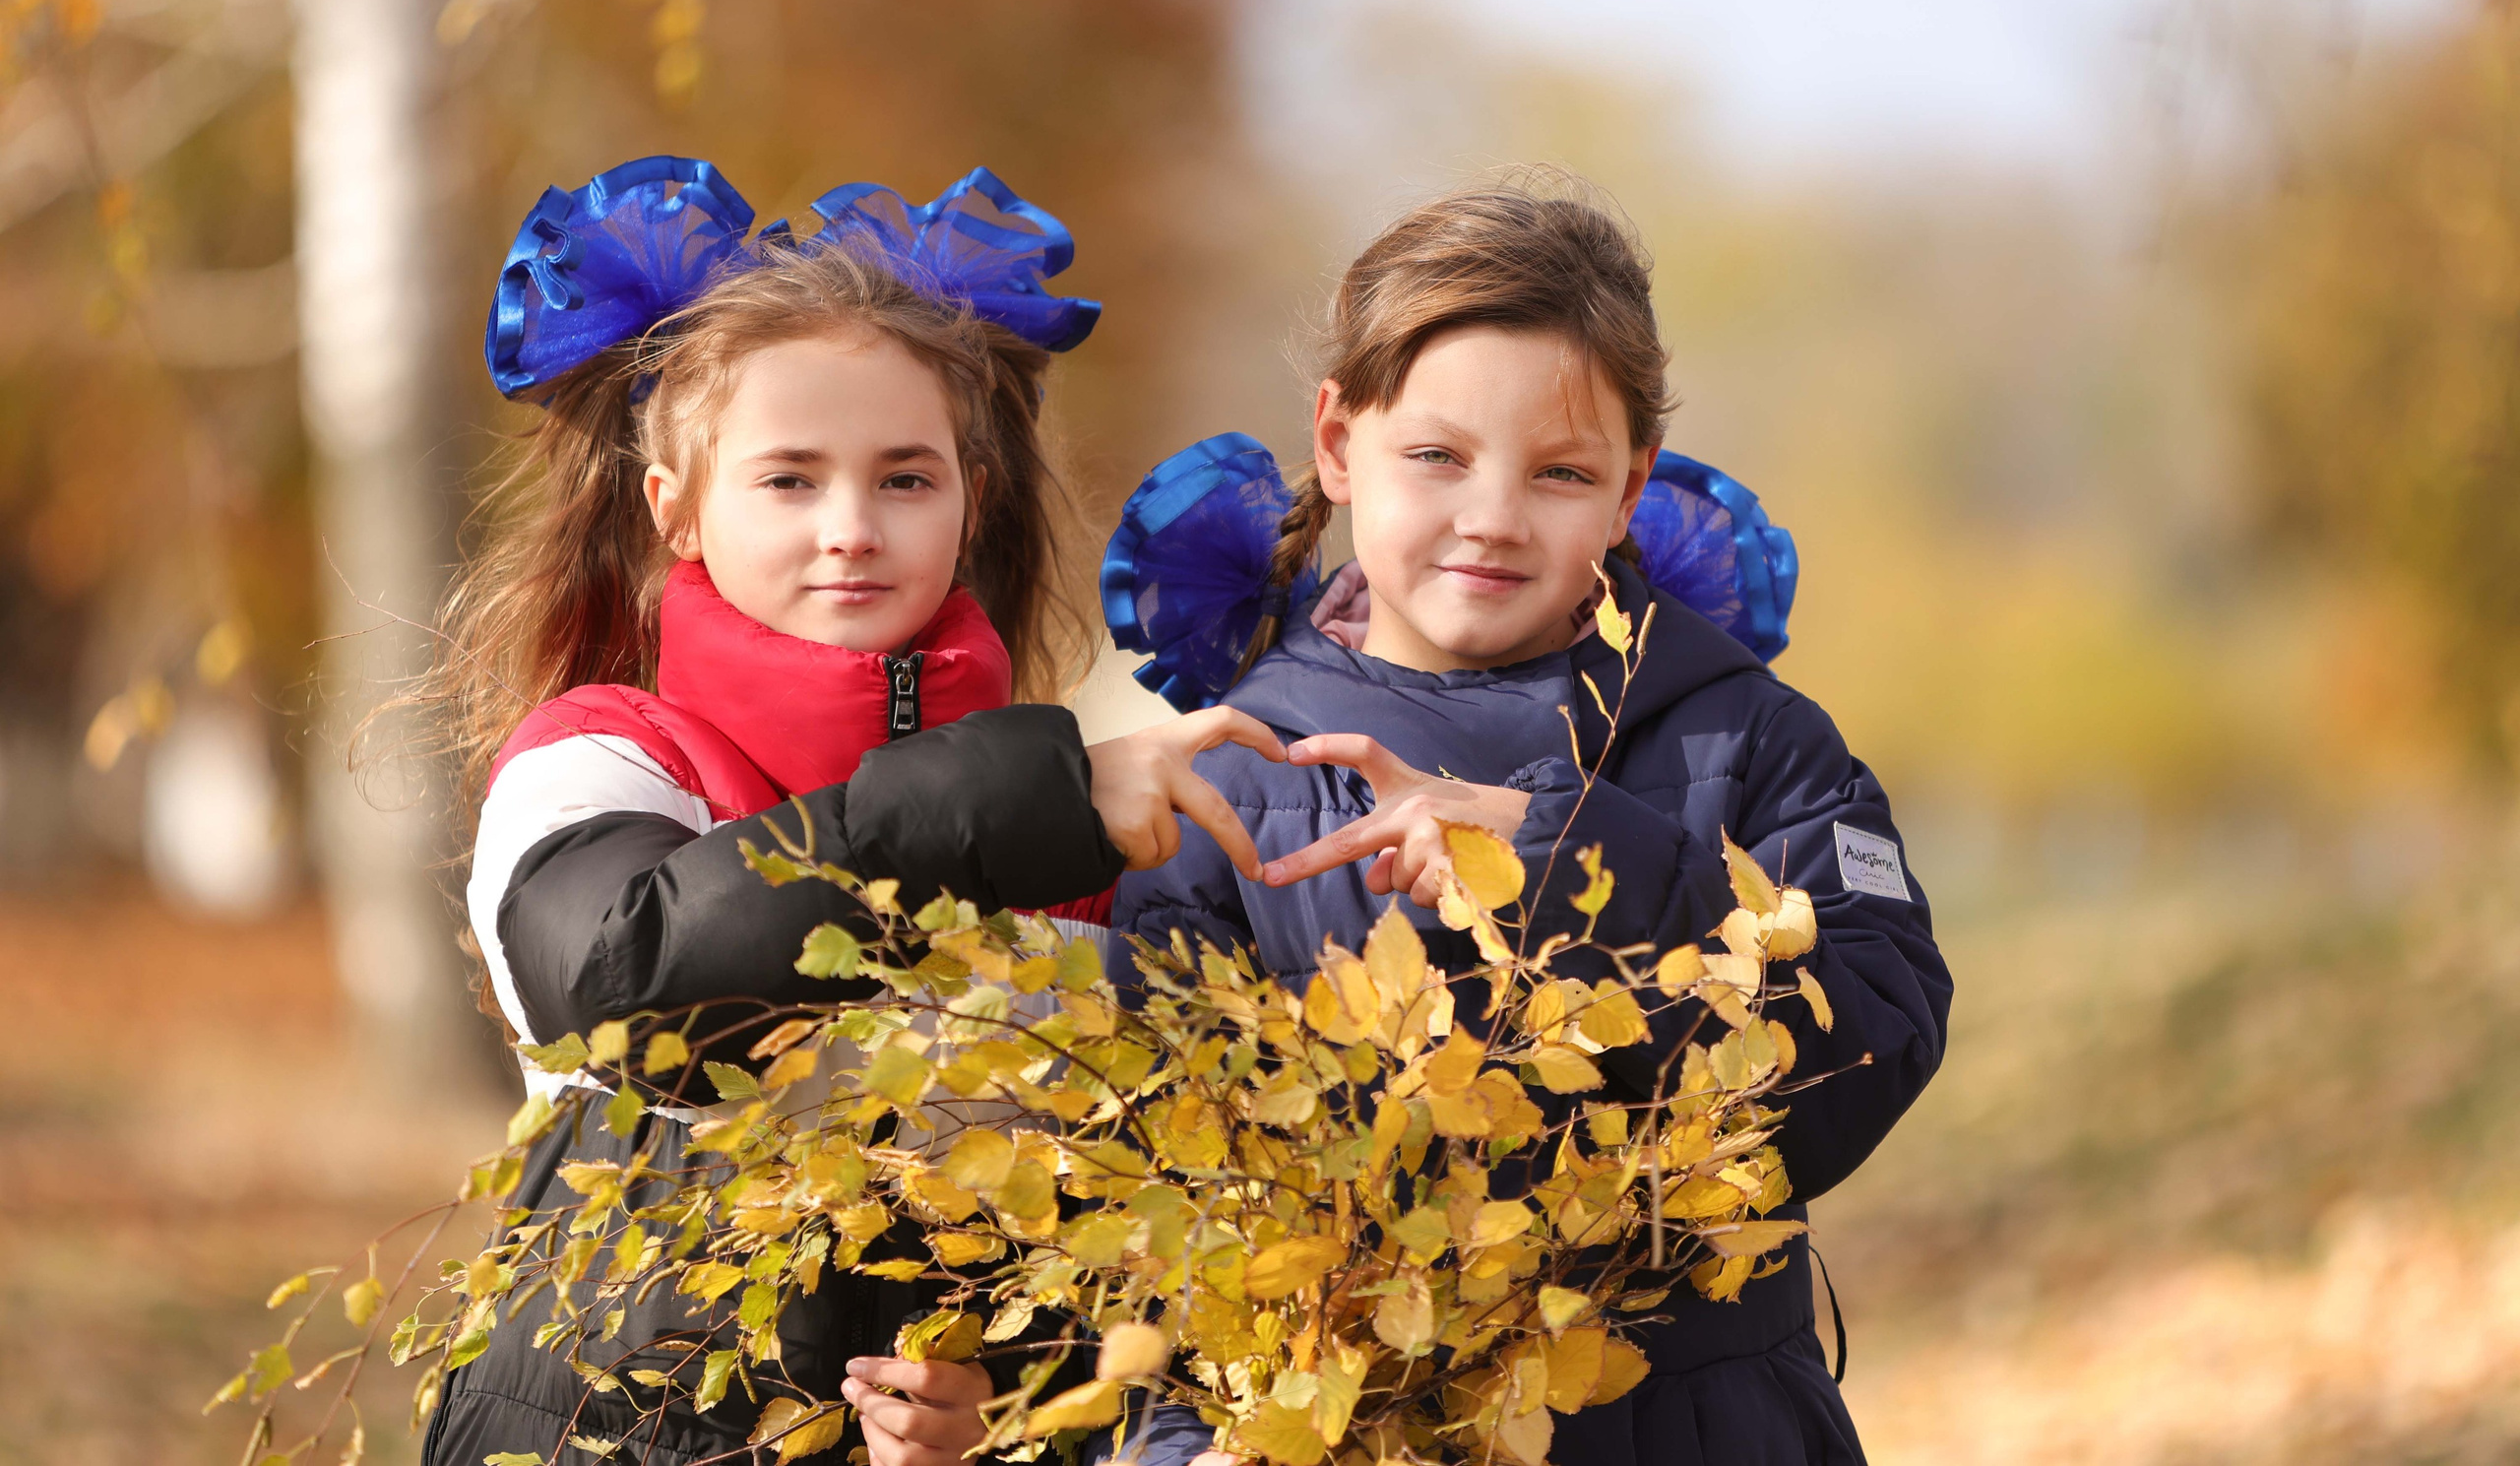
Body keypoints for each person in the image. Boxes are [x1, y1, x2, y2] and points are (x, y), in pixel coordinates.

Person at [418, 158, 1284, 1466]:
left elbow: (1093, 1242)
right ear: (679, 513)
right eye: (788, 479)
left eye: (904, 478)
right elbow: (629, 980)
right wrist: (1025, 803)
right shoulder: (604, 759)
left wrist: (996, 1417)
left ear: (968, 501)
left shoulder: (1074, 831)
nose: (851, 528)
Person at [1098, 173, 1953, 1466]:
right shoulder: (1224, 780)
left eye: (1559, 472)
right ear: (1337, 443)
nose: (1491, 517)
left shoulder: (1751, 743)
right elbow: (1152, 1208)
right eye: (1436, 456)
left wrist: (1549, 845)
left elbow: (1868, 1047)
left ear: (1629, 490)